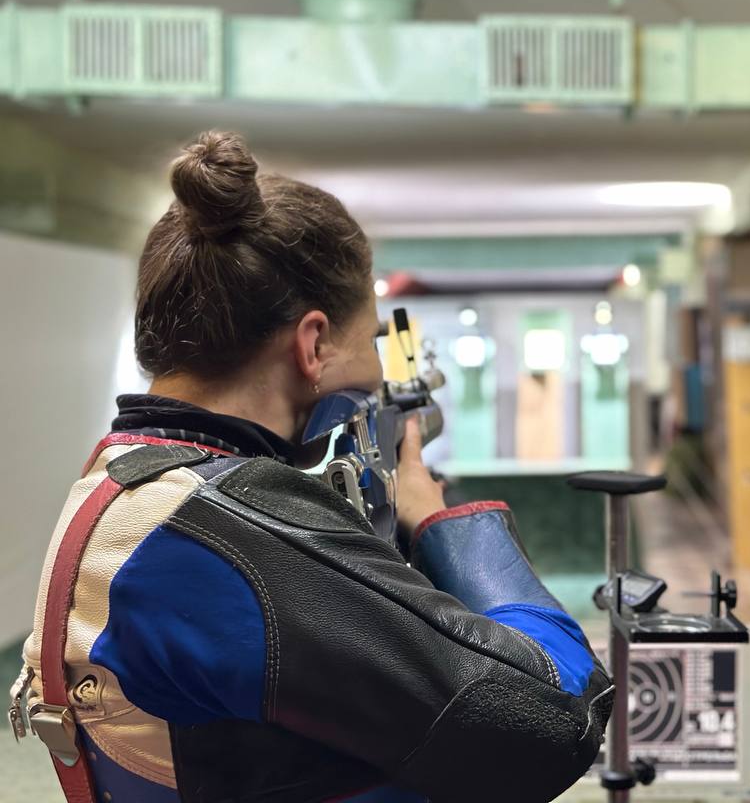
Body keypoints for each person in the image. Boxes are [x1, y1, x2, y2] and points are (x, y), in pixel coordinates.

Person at [13, 132, 612, 803]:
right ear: (315, 343)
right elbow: (549, 718)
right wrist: (440, 519)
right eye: (370, 339)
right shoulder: (223, 531)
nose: (375, 372)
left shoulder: (127, 483)